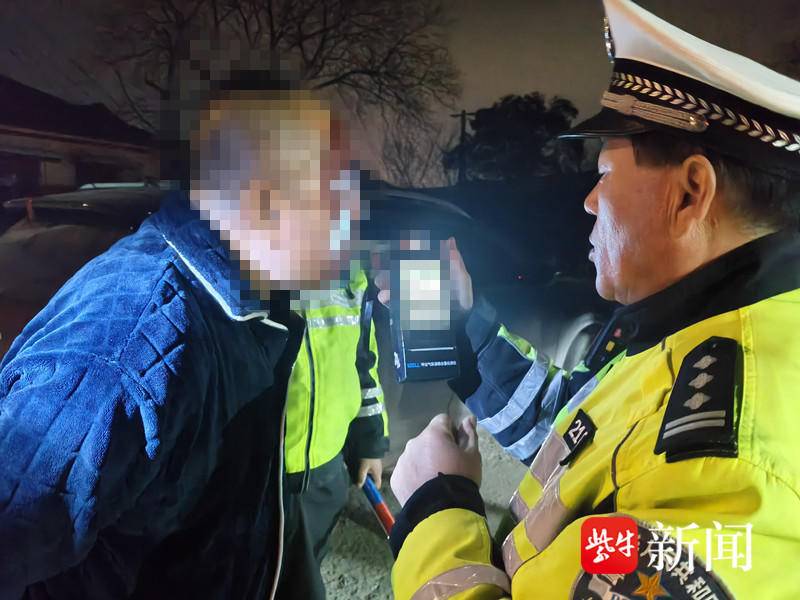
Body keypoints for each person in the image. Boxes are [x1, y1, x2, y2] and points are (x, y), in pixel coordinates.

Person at [387, 0, 800, 597]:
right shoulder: (693, 333)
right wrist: (464, 329)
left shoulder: (730, 471)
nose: (587, 202)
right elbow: (584, 446)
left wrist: (437, 511)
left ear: (690, 193)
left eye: (604, 175)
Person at [0, 71, 362, 599]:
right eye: (337, 196)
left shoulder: (243, 308)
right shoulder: (126, 350)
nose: (353, 221)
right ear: (265, 198)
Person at [278, 267, 388, 600]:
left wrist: (369, 443)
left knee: (305, 570)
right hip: (259, 474)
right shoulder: (245, 264)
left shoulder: (352, 274)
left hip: (325, 470)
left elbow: (364, 363)